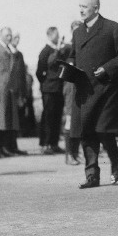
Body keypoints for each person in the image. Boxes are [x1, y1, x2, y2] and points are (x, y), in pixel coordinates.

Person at [68, 0, 118, 188]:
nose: (81, 10)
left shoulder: (112, 28)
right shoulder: (78, 32)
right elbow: (73, 56)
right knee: (86, 132)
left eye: (85, 7)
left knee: (104, 130)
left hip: (106, 90)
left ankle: (115, 162)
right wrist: (70, 65)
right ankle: (92, 175)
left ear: (96, 8)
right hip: (83, 90)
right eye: (79, 6)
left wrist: (107, 68)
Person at [0, 27, 29, 158]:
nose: (9, 38)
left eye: (10, 35)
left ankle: (6, 147)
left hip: (10, 91)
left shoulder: (12, 51)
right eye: (6, 35)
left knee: (8, 120)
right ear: (1, 36)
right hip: (0, 91)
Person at [36, 27, 67, 155]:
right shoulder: (45, 51)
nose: (58, 37)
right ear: (49, 36)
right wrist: (46, 82)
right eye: (56, 35)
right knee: (48, 116)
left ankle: (54, 143)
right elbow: (40, 71)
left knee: (57, 116)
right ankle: (46, 143)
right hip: (49, 89)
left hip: (58, 88)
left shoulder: (58, 50)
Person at [62, 20, 83, 165]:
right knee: (70, 120)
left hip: (81, 86)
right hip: (70, 86)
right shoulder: (67, 48)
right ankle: (69, 154)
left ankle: (75, 153)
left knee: (78, 121)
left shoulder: (84, 46)